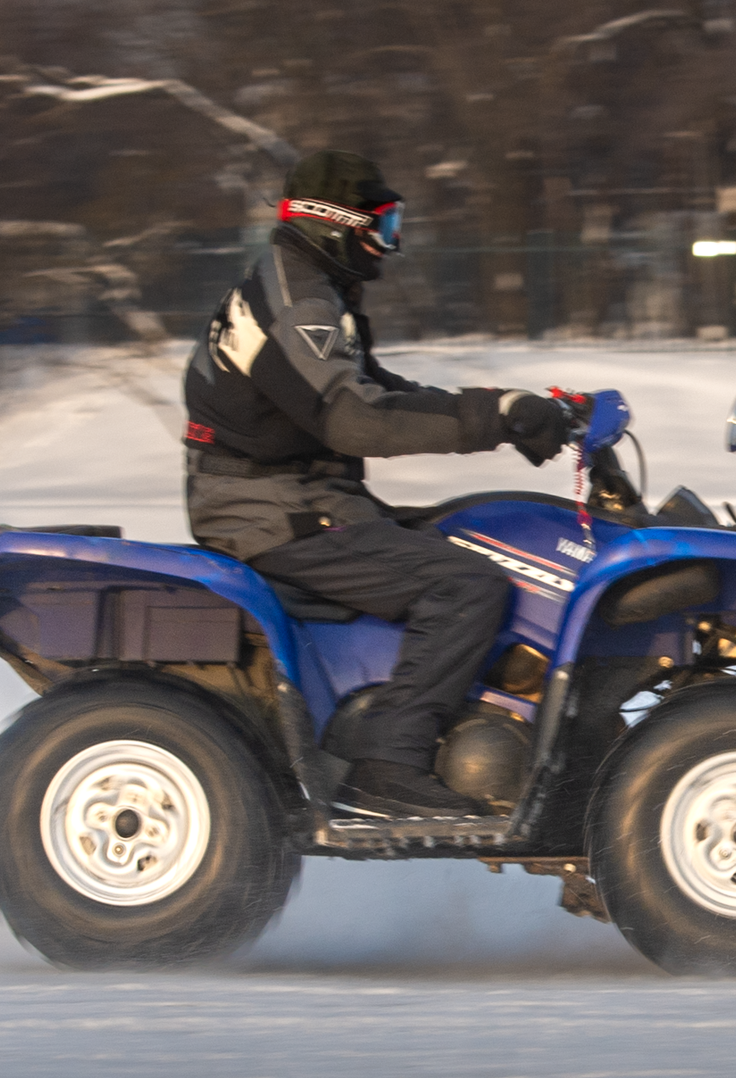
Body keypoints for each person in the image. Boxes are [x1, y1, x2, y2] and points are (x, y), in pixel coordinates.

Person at [182, 150, 570, 818]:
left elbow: (381, 391)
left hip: (301, 500)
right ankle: (389, 763)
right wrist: (494, 419)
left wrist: (508, 410)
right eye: (382, 225)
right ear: (334, 223)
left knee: (469, 528)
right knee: (464, 583)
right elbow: (357, 422)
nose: (389, 245)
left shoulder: (298, 286)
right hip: (273, 512)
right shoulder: (300, 300)